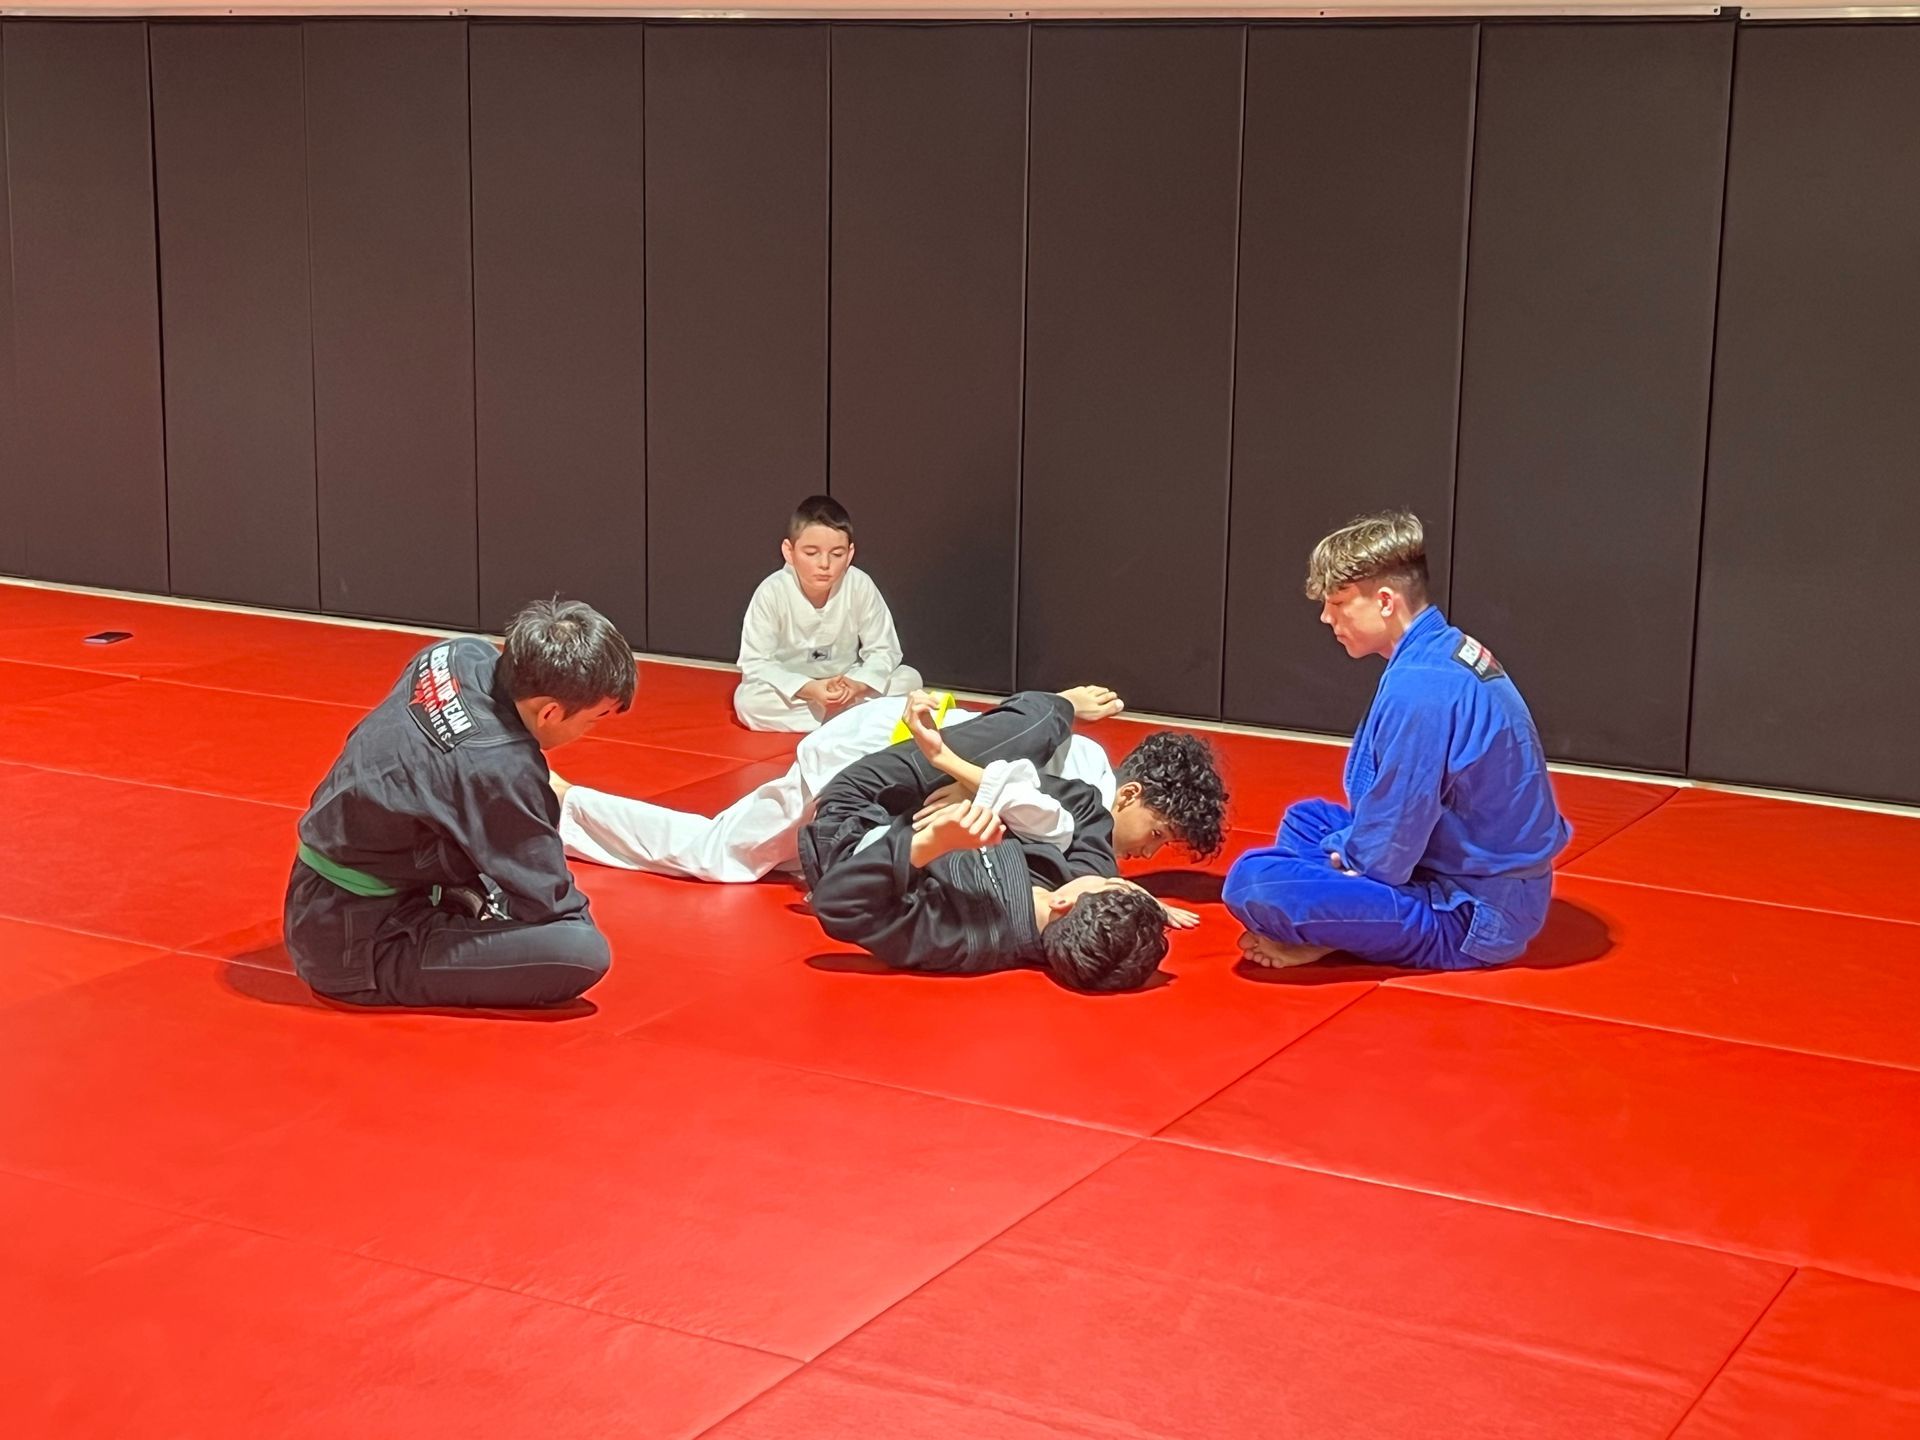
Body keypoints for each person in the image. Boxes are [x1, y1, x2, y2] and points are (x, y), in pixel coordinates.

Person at [1223, 511, 1570, 971]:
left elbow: (1388, 853)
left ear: (1385, 601)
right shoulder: (1443, 647)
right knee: (1306, 817)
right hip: (1463, 864)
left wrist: (1345, 866)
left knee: (1252, 884)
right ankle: (1346, 920)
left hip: (1473, 913)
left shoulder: (1422, 687)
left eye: (1339, 602)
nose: (1327, 617)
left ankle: (1344, 930)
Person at [282, 598, 637, 1007]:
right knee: (580, 952)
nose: (591, 730)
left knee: (514, 818)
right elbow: (553, 906)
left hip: (323, 892)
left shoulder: (456, 652)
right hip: (354, 947)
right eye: (594, 719)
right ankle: (448, 922)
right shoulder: (499, 767)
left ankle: (466, 902)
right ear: (551, 712)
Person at [553, 685, 1228, 884]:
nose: (1147, 854)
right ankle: (561, 806)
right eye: (1158, 836)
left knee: (782, 859)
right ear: (1132, 795)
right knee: (724, 857)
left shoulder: (1083, 773)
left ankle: (564, 805)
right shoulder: (1080, 772)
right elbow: (1023, 734)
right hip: (872, 755)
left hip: (886, 757)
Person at [799, 690, 1194, 992]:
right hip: (945, 799)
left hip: (859, 814)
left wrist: (926, 846)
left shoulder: (966, 938)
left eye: (1114, 882)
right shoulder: (1079, 886)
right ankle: (1036, 718)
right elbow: (1088, 808)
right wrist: (975, 787)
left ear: (1064, 902)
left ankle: (1058, 702)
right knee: (1030, 742)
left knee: (1039, 719)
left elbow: (839, 903)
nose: (1117, 875)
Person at [733, 494, 921, 731]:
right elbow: (756, 662)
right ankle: (854, 718)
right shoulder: (772, 591)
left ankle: (839, 715)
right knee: (749, 702)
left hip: (846, 681)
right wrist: (809, 688)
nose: (824, 564)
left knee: (909, 679)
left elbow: (884, 649)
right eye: (811, 553)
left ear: (850, 554)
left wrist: (858, 685)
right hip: (797, 689)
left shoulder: (859, 584)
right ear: (789, 552)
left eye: (837, 554)